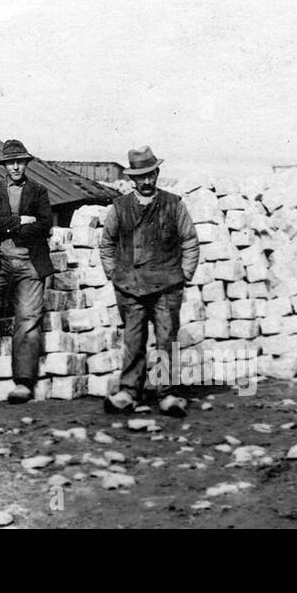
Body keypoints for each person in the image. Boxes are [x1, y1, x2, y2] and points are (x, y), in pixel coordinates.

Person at [98, 145, 201, 417]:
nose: (146, 181)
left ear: (157, 172)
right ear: (131, 178)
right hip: (129, 289)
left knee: (166, 340)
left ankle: (167, 394)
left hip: (167, 287)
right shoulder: (119, 208)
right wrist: (113, 273)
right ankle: (129, 392)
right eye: (139, 177)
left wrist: (184, 275)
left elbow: (190, 241)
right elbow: (107, 243)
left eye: (150, 175)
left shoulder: (173, 204)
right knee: (133, 341)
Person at [0, 139, 54, 404]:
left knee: (28, 319)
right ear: (5, 165)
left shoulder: (39, 191)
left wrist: (7, 226)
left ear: (26, 163)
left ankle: (23, 382)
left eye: (20, 161)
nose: (16, 166)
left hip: (30, 263)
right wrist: (19, 221)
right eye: (11, 162)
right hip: (0, 263)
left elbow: (44, 226)